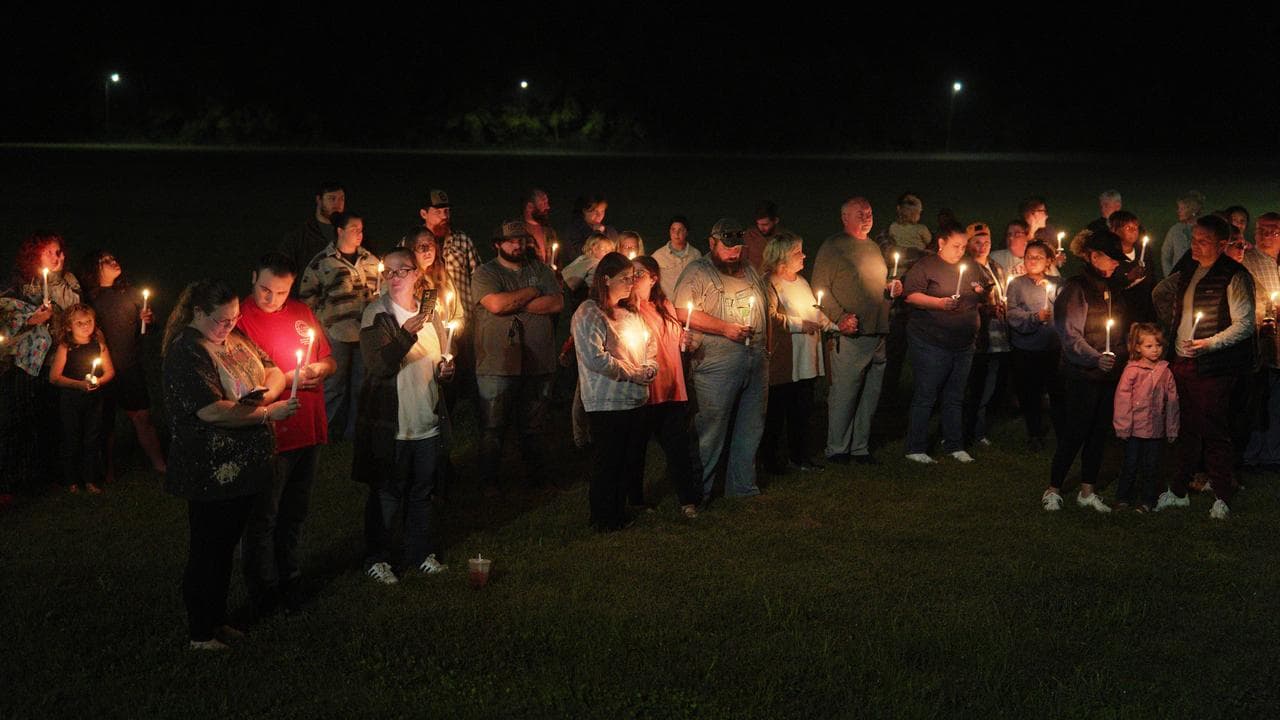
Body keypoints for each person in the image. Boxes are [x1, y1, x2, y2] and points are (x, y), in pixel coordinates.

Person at [161, 280, 299, 650]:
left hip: (242, 469)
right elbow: (208, 409)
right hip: (211, 469)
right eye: (221, 321)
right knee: (208, 549)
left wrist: (262, 395)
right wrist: (265, 412)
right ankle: (201, 632)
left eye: (235, 319)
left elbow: (271, 369)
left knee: (224, 550)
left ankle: (217, 619)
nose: (229, 327)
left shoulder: (233, 339)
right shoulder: (186, 352)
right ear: (198, 313)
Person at [234, 253, 336, 615]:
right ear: (253, 278)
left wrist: (319, 368)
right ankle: (263, 589)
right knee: (264, 516)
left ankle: (289, 576)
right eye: (265, 289)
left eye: (281, 292)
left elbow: (328, 358)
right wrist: (290, 379)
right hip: (273, 432)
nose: (272, 299)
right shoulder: (239, 320)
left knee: (295, 511)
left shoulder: (300, 313)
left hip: (308, 426)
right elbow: (244, 380)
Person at [354, 248, 455, 584]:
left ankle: (420, 552)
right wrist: (406, 333)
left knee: (422, 493)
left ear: (416, 275)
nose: (394, 278)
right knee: (386, 493)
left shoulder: (432, 315)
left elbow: (435, 362)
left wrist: (446, 370)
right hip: (392, 425)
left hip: (426, 420)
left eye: (402, 271)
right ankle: (377, 557)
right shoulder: (377, 314)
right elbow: (379, 366)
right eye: (389, 272)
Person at [1155, 215, 1256, 520]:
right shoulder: (1189, 269)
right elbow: (1167, 300)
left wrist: (1211, 342)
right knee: (1185, 427)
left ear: (1222, 244)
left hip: (1214, 366)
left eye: (1203, 241)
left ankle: (1222, 494)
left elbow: (1245, 323)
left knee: (1213, 428)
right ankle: (1179, 489)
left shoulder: (1233, 275)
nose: (1194, 246)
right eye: (1194, 239)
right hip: (1183, 361)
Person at [674, 219, 768, 500]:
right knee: (710, 430)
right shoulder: (698, 272)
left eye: (738, 247)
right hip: (716, 366)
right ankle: (698, 492)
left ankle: (742, 486)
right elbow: (681, 310)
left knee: (751, 426)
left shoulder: (748, 270)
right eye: (727, 247)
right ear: (712, 242)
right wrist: (725, 328)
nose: (733, 252)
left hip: (755, 360)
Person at [472, 221, 564, 496]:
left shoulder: (541, 270)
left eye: (522, 240)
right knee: (493, 426)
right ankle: (490, 482)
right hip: (497, 362)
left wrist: (514, 300)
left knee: (533, 425)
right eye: (511, 241)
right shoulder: (485, 273)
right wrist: (534, 292)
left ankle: (537, 478)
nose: (518, 245)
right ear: (497, 244)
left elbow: (557, 303)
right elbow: (496, 305)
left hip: (538, 360)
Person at [1043, 231, 1129, 513]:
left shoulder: (1112, 286)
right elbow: (1070, 336)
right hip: (1082, 374)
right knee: (1075, 431)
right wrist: (1095, 359)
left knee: (1099, 432)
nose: (1116, 263)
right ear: (1094, 256)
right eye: (1111, 258)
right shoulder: (1077, 288)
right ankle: (1053, 488)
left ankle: (1087, 490)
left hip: (1107, 373)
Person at [572, 252, 658, 530]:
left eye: (633, 279)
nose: (631, 284)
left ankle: (619, 512)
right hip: (607, 402)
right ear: (605, 279)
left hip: (634, 399)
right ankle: (603, 517)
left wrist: (650, 366)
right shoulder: (589, 312)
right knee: (607, 461)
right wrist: (635, 372)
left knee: (626, 460)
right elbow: (595, 359)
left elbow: (649, 346)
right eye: (624, 279)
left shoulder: (630, 312)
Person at [811, 197, 900, 464]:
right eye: (860, 213)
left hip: (877, 332)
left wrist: (891, 288)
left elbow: (874, 284)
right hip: (851, 334)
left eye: (869, 212)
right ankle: (837, 448)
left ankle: (859, 446)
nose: (866, 217)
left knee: (870, 393)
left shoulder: (872, 247)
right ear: (844, 217)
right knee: (845, 393)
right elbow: (820, 287)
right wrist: (839, 318)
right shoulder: (834, 246)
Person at [901, 226, 984, 464]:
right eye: (955, 246)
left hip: (964, 343)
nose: (960, 251)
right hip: (931, 341)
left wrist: (979, 290)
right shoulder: (926, 266)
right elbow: (911, 295)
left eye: (963, 246)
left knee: (955, 395)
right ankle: (915, 446)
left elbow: (981, 290)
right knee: (926, 393)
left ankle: (953, 443)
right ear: (941, 242)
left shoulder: (970, 266)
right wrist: (939, 303)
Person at [629, 255, 702, 517]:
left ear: (653, 278)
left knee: (678, 447)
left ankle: (688, 499)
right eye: (631, 274)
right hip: (647, 389)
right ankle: (635, 499)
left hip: (672, 388)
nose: (634, 278)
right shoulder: (628, 309)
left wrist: (687, 340)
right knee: (637, 448)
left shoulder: (665, 306)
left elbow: (675, 341)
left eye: (639, 274)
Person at [82, 249, 166, 478]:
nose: (113, 261)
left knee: (142, 416)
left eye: (113, 258)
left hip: (130, 366)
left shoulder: (130, 293)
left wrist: (149, 320)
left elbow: (148, 328)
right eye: (105, 261)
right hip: (103, 368)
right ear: (94, 269)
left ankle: (160, 464)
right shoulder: (89, 298)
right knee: (105, 422)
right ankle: (107, 470)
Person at [298, 210, 379, 442]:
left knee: (360, 385)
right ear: (340, 231)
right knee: (334, 385)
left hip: (364, 333)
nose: (359, 234)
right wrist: (321, 322)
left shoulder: (371, 261)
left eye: (361, 230)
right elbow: (307, 296)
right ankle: (327, 431)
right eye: (353, 229)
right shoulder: (323, 263)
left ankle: (354, 432)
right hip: (336, 333)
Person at [763, 233, 829, 473]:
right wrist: (800, 324)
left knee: (802, 411)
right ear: (782, 258)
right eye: (797, 252)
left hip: (806, 360)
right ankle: (769, 460)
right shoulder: (769, 283)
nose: (804, 255)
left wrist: (835, 325)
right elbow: (769, 317)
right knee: (776, 414)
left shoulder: (801, 281)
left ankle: (800, 456)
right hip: (785, 363)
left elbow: (815, 312)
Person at [49, 303, 115, 494]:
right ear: (69, 326)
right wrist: (78, 385)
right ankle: (71, 480)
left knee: (92, 438)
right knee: (72, 437)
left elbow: (110, 371)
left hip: (94, 400)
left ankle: (90, 479)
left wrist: (98, 382)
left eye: (89, 322)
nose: (86, 326)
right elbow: (54, 377)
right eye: (80, 323)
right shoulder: (66, 347)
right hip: (71, 399)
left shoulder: (99, 345)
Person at [1113, 323, 1179, 512]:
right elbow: (1122, 400)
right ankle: (1123, 498)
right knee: (1130, 465)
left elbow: (1173, 402)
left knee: (1151, 467)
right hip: (1134, 430)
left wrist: (1172, 428)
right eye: (1149, 346)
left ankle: (1147, 501)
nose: (1155, 350)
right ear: (1138, 347)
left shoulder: (1165, 372)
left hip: (1155, 431)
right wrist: (1123, 427)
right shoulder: (1132, 370)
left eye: (1158, 345)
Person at [1005, 241, 1062, 450]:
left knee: (1056, 391)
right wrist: (1034, 317)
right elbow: (1011, 313)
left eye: (1039, 257)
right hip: (1026, 348)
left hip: (1053, 347)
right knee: (1030, 392)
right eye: (1029, 256)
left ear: (1048, 261)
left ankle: (1061, 431)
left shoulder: (1057, 283)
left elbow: (1064, 307)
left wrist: (1050, 290)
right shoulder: (1017, 284)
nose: (1033, 260)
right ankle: (1034, 432)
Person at [419, 189, 481, 381]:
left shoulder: (461, 241)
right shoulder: (413, 243)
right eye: (438, 212)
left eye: (447, 211)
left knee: (463, 378)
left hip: (461, 327)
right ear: (424, 213)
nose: (444, 216)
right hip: (426, 331)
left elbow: (478, 277)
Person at [962, 223, 1010, 447]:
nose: (982, 247)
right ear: (968, 244)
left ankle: (978, 430)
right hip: (979, 337)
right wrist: (986, 309)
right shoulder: (966, 268)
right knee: (974, 385)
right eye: (977, 242)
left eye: (987, 242)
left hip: (998, 336)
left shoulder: (996, 267)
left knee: (988, 386)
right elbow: (963, 301)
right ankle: (967, 429)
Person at [1243, 212, 1280, 467]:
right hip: (1258, 346)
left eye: (1273, 231)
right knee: (1257, 401)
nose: (1266, 236)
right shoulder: (1249, 262)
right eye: (1261, 231)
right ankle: (1253, 452)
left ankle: (1273, 452)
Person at [279, 181, 345, 274]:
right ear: (319, 200)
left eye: (341, 199)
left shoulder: (350, 233)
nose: (338, 204)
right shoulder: (299, 236)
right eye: (332, 198)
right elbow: (283, 270)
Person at [1108, 211, 1156, 323]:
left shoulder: (1144, 253)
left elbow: (1152, 279)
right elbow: (1108, 286)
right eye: (1128, 228)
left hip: (1145, 314)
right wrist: (1128, 278)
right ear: (1114, 230)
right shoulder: (1109, 256)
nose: (1134, 231)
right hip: (1121, 317)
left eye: (1136, 227)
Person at [649, 216, 701, 298]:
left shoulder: (695, 255)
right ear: (669, 231)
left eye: (680, 230)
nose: (676, 234)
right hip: (667, 304)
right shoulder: (658, 256)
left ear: (686, 232)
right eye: (673, 230)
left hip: (688, 302)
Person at [1160, 190, 1206, 277]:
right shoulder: (1175, 230)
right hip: (1178, 277)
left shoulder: (1205, 229)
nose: (1178, 211)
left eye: (1182, 208)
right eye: (1178, 208)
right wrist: (1169, 276)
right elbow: (1165, 255)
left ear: (1193, 209)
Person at [742, 201, 786, 271]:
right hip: (751, 279)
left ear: (776, 221)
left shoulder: (784, 238)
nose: (760, 228)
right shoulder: (750, 235)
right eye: (758, 224)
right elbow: (742, 261)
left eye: (765, 224)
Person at [522, 189, 559, 266]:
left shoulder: (549, 232)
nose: (548, 207)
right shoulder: (518, 233)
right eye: (544, 203)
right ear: (530, 206)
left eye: (547, 203)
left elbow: (556, 261)